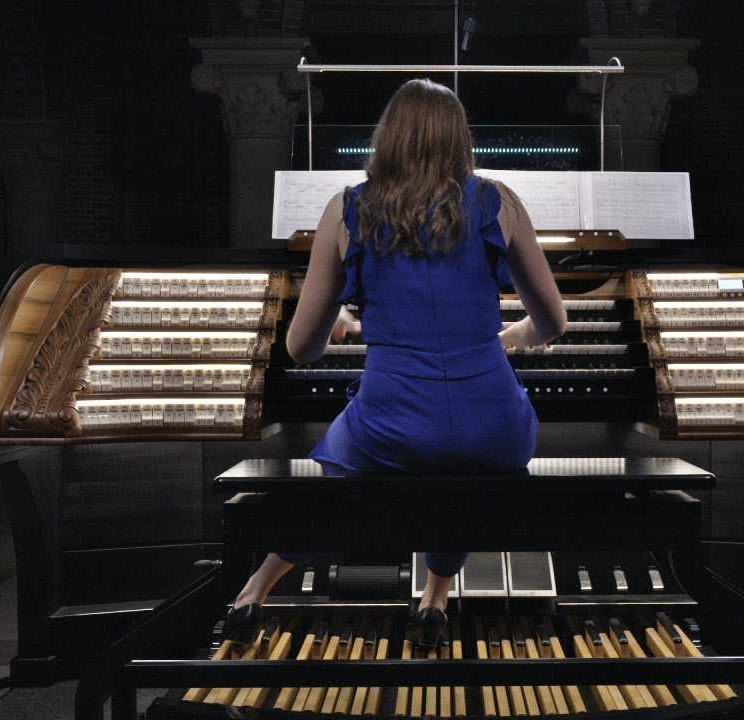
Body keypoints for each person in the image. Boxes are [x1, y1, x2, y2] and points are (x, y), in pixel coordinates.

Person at [224, 78, 567, 648]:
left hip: (393, 427)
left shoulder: (348, 208)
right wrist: (501, 340)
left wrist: (343, 326)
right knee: (461, 468)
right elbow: (552, 324)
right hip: (495, 429)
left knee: (343, 470)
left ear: (388, 139)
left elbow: (300, 349)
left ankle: (256, 588)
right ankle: (434, 598)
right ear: (460, 140)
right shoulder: (498, 202)